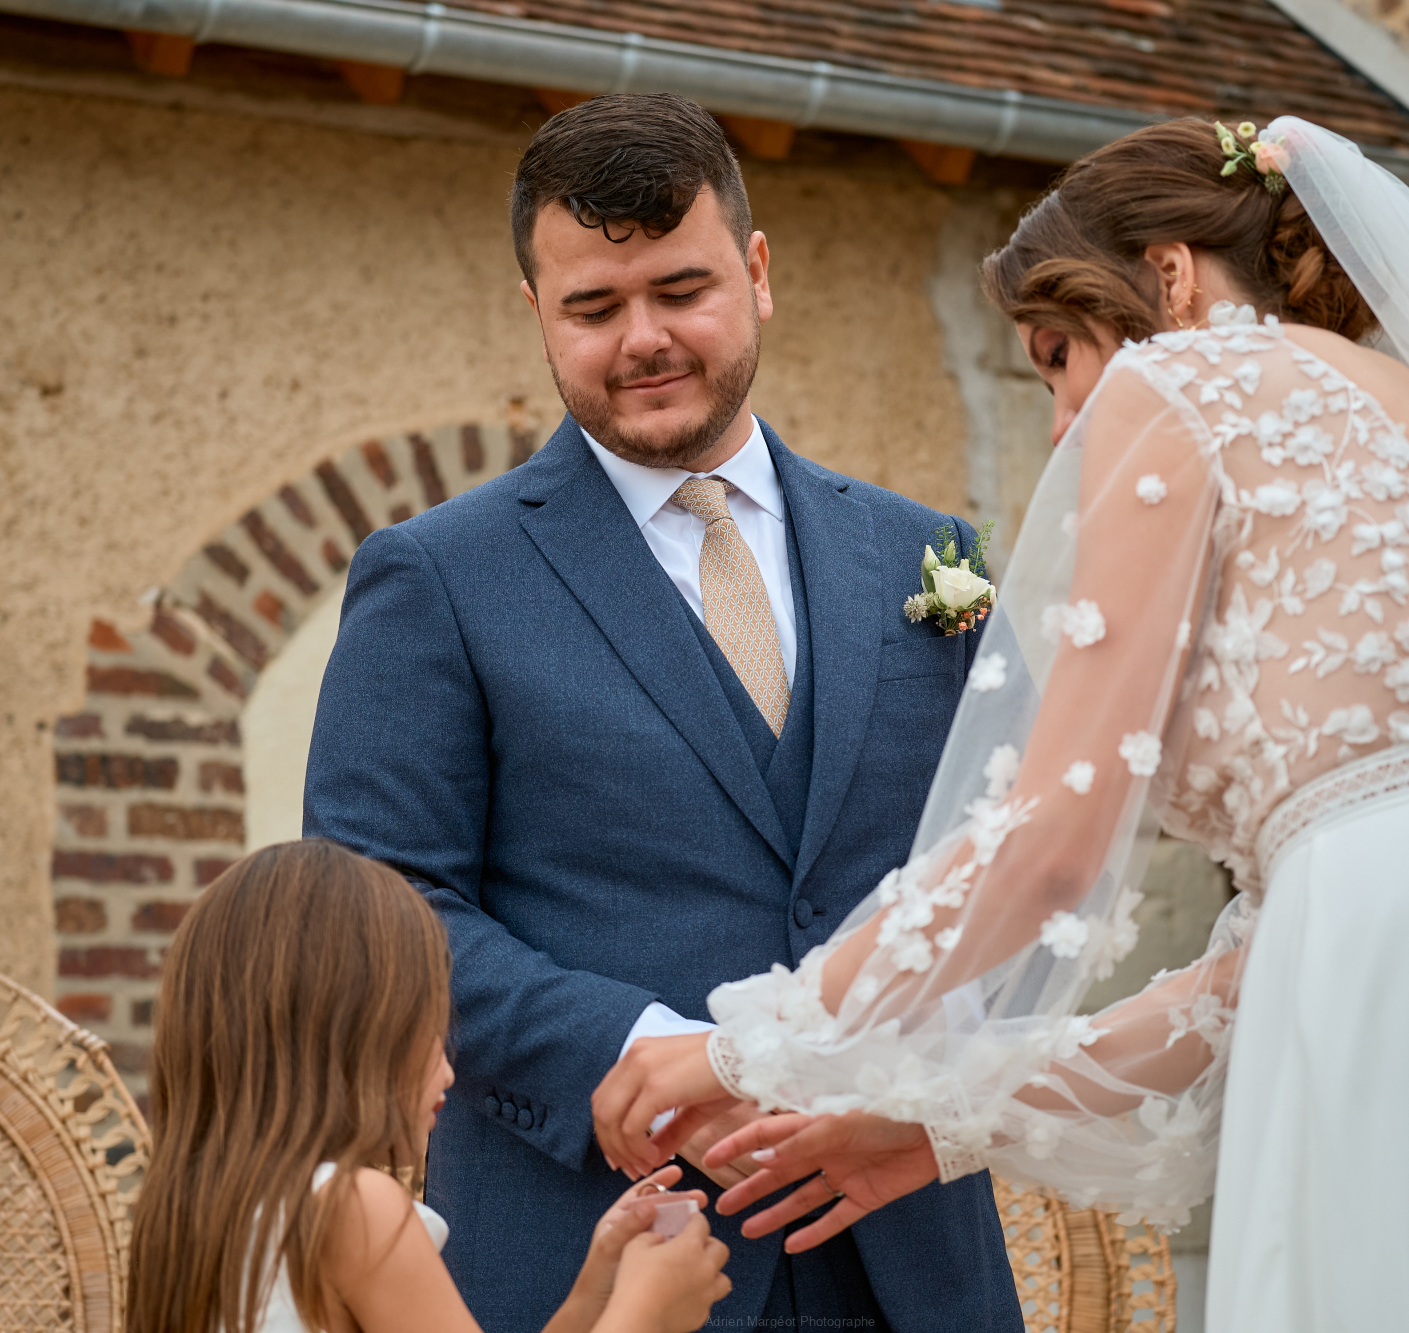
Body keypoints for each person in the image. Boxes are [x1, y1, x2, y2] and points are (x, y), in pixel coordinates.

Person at [592, 118, 1409, 1331]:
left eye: (1056, 356)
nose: (1063, 419)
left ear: (1166, 274)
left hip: (1396, 1005)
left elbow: (1049, 844)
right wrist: (941, 1126)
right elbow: (1249, 980)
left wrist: (746, 1045)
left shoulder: (1173, 382)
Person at [302, 93, 1022, 1332]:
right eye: (592, 308)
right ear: (536, 312)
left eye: (681, 290)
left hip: (909, 1261)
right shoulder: (438, 578)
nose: (642, 339)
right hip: (601, 1253)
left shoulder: (925, 553)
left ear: (757, 272)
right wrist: (641, 1053)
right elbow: (375, 906)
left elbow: (1006, 861)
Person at [126, 839, 731, 1333]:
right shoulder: (354, 1209)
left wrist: (591, 1296)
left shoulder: (189, 1209)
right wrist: (646, 1311)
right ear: (353, 1030)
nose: (448, 1068)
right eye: (429, 1022)